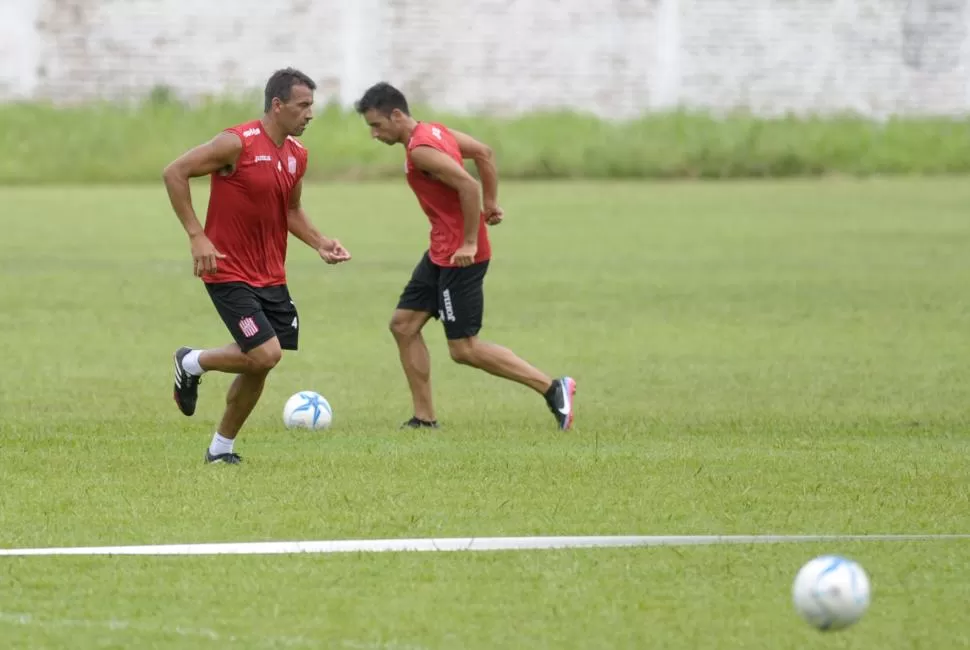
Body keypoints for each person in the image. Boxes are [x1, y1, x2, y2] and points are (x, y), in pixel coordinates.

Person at [354, 82, 576, 431]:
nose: (374, 134)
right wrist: (491, 203)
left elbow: (467, 185)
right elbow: (485, 153)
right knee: (403, 325)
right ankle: (424, 419)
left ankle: (552, 388)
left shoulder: (421, 151)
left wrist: (470, 241)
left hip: (461, 257)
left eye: (376, 125)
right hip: (440, 252)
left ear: (396, 115)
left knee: (464, 349)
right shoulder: (435, 131)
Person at [162, 67, 351, 464]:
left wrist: (321, 242)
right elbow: (175, 172)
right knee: (265, 353)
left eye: (312, 106)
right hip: (227, 270)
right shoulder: (237, 143)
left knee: (259, 363)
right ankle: (191, 361)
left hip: (271, 275)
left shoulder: (298, 155)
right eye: (303, 106)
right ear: (277, 105)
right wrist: (197, 235)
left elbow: (292, 209)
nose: (310, 114)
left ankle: (221, 450)